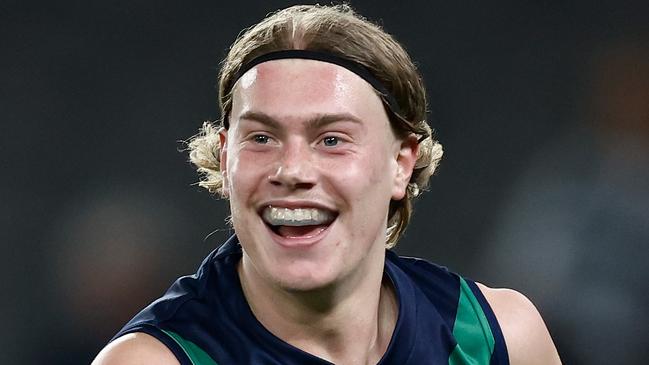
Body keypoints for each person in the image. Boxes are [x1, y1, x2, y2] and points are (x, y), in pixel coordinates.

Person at [93, 4, 560, 364]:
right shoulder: (156, 359)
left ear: (402, 162)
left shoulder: (496, 339)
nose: (293, 170)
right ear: (224, 154)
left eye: (332, 139)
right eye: (261, 137)